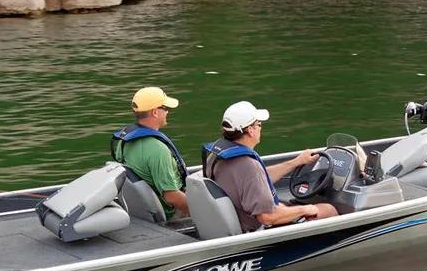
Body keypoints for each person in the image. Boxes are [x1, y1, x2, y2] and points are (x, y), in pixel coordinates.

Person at [203, 101, 338, 233]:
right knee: (328, 209)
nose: (261, 128)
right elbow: (267, 217)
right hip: (255, 229)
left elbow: (257, 178)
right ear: (251, 130)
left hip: (236, 218)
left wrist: (296, 162)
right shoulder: (249, 166)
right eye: (259, 124)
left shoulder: (217, 156)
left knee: (289, 205)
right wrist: (306, 209)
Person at [111, 87, 189, 219]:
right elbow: (172, 197)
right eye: (165, 108)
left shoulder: (124, 141)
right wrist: (201, 212)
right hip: (171, 213)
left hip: (143, 207)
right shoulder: (158, 150)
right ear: (155, 112)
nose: (167, 111)